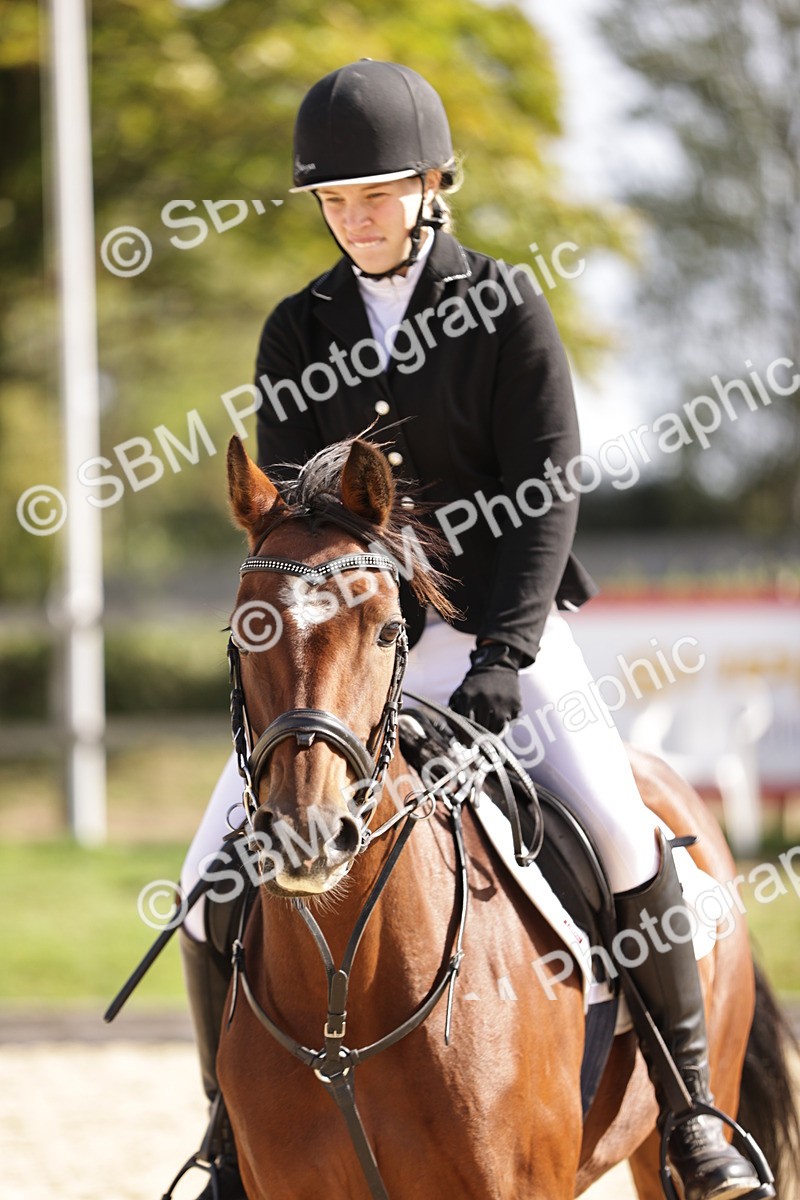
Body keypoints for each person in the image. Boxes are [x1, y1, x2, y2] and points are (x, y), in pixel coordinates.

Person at [176, 60, 766, 1200]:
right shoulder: (297, 328)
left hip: (506, 628)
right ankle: (226, 1138)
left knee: (619, 827)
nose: (356, 219)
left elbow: (547, 491)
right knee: (211, 872)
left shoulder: (502, 308)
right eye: (335, 202)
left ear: (433, 184)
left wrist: (502, 655)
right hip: (353, 641)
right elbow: (301, 510)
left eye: (377, 195)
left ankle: (691, 1118)